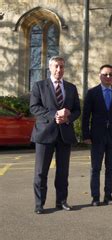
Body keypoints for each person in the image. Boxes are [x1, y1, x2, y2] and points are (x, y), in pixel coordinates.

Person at [29, 56, 81, 214]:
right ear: (50, 68)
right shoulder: (39, 86)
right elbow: (34, 107)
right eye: (56, 66)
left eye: (62, 67)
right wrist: (54, 114)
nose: (59, 70)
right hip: (45, 134)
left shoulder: (71, 88)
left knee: (63, 172)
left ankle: (62, 201)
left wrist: (68, 117)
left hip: (64, 134)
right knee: (41, 171)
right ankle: (40, 204)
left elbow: (77, 110)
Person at [82, 64, 112, 206]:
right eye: (105, 74)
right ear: (100, 75)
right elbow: (86, 116)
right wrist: (86, 135)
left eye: (111, 75)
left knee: (111, 167)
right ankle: (95, 197)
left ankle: (108, 195)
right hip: (97, 136)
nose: (108, 77)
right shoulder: (92, 93)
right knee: (96, 168)